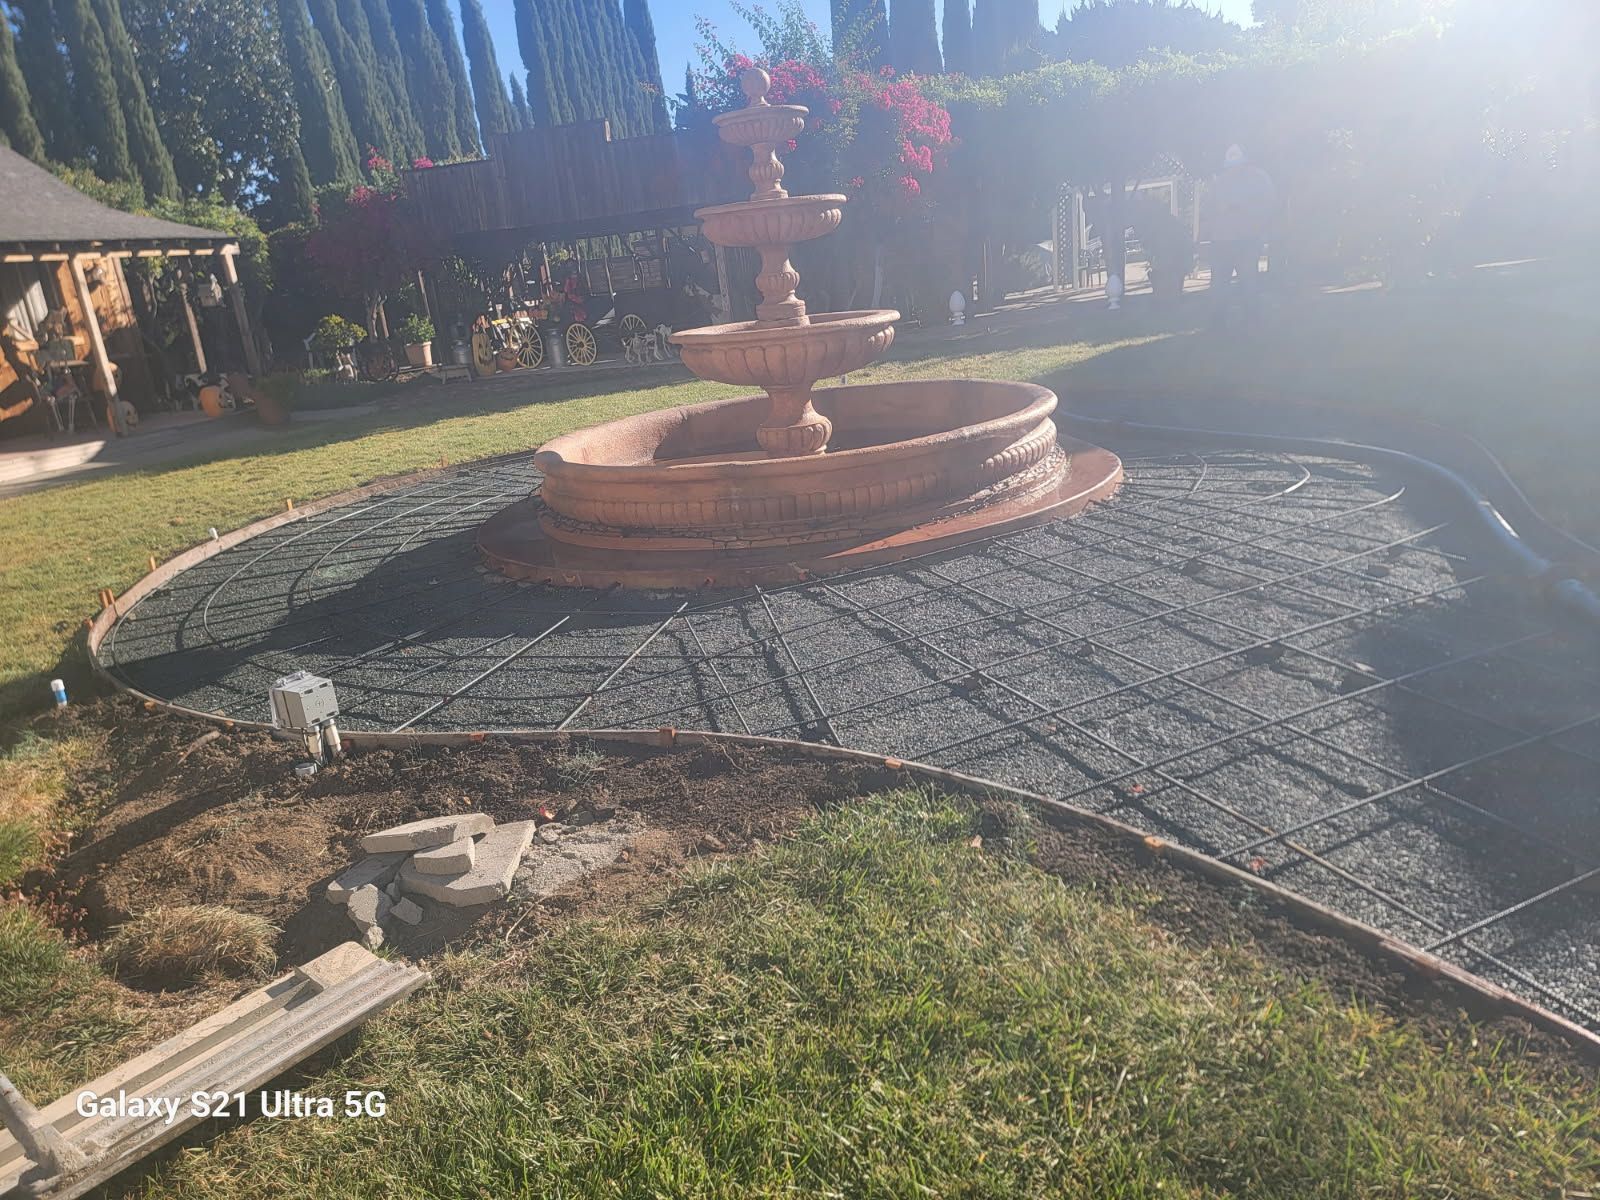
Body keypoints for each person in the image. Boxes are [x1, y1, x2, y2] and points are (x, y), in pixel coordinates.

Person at [1208, 144, 1277, 327]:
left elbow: (1268, 205)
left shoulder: (1259, 178)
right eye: (1230, 166)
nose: (1234, 170)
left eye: (1237, 165)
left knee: (1248, 282)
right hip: (1223, 240)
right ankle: (1218, 323)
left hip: (1247, 239)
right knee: (1220, 284)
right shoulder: (1221, 181)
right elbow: (1212, 210)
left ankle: (1252, 321)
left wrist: (1254, 221)